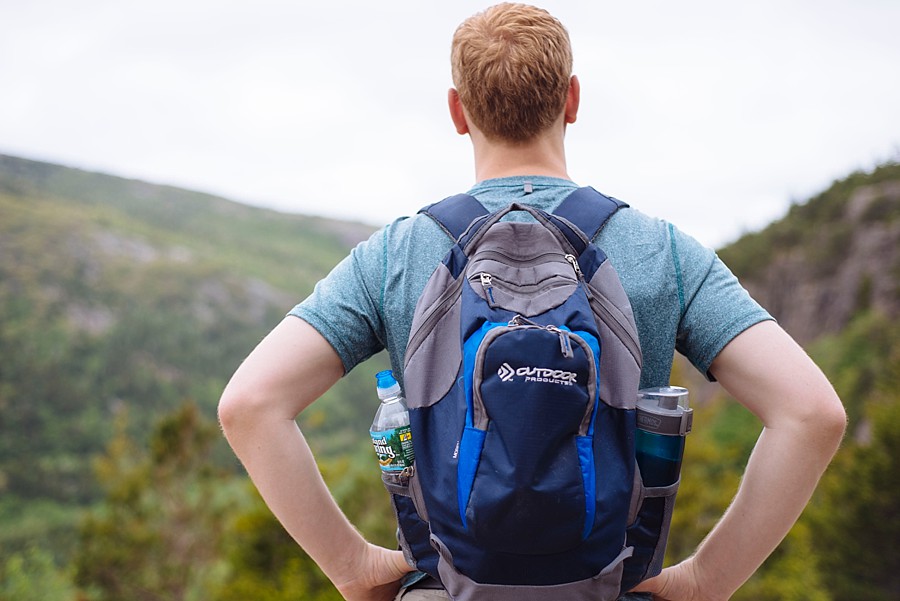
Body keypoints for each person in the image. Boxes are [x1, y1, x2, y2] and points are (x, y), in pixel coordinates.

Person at [218, 3, 847, 600]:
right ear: (572, 100)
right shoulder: (662, 251)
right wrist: (708, 579)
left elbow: (250, 405)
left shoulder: (398, 254)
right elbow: (811, 414)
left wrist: (353, 567)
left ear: (458, 111)